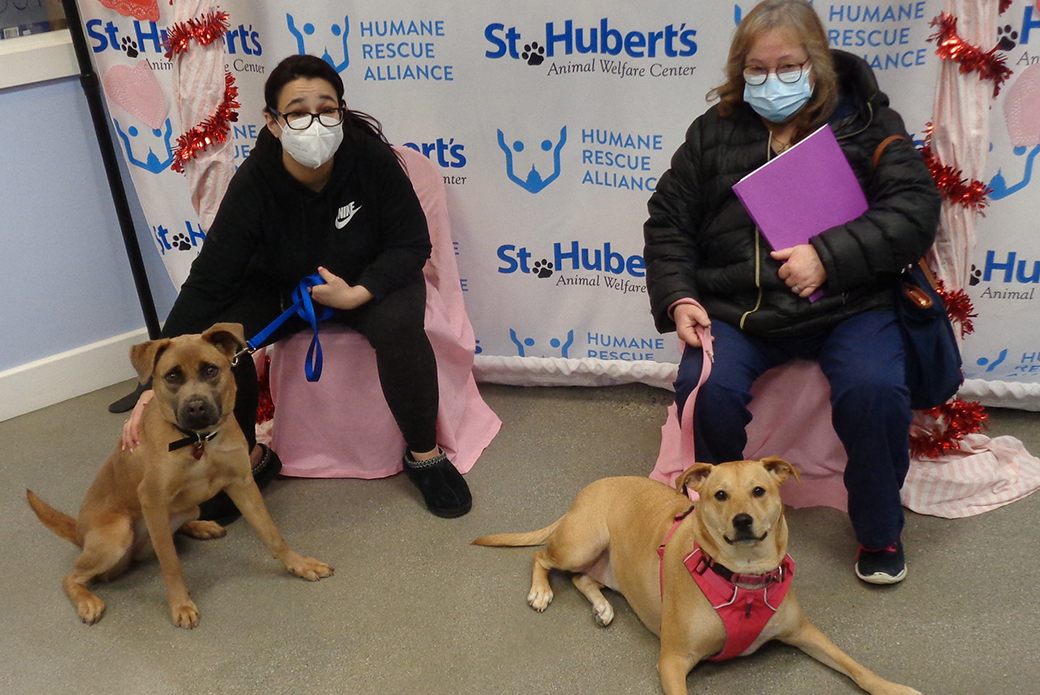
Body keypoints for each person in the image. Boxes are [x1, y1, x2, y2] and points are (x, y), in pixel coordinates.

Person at [643, 0, 941, 584]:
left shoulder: (870, 123)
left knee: (876, 388)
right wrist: (678, 296)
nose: (770, 81)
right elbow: (668, 222)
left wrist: (827, 258)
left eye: (787, 66)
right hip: (742, 309)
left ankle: (880, 535)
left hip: (851, 304)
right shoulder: (713, 132)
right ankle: (716, 529)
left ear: (817, 64)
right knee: (707, 389)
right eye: (756, 69)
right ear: (738, 70)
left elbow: (915, 211)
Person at [123, 54, 472, 520]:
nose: (315, 122)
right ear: (271, 122)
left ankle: (424, 455)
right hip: (285, 288)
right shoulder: (254, 181)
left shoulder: (371, 159)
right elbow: (211, 278)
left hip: (369, 281)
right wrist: (152, 381)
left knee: (398, 328)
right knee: (229, 343)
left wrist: (358, 292)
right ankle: (246, 461)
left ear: (342, 112)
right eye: (297, 111)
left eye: (327, 109)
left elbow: (411, 244)